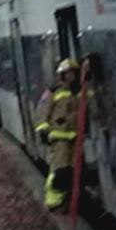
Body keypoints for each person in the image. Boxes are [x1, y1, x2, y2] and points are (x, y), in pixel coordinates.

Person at [35, 58, 80, 212]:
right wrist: (44, 131)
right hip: (59, 140)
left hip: (75, 140)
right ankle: (53, 202)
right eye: (67, 74)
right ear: (61, 75)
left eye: (73, 73)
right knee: (59, 172)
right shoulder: (53, 92)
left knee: (71, 173)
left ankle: (64, 200)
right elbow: (42, 113)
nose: (70, 76)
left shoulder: (79, 92)